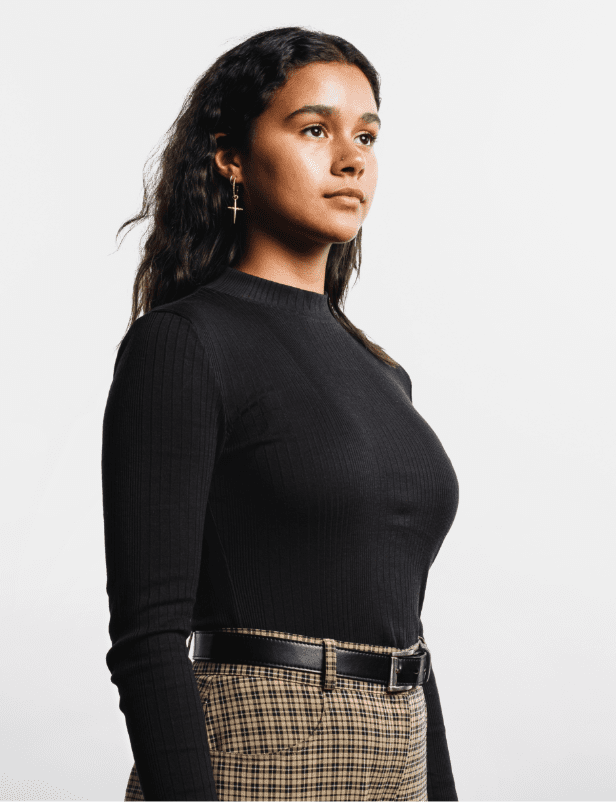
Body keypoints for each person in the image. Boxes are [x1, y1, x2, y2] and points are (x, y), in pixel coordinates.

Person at [102, 26, 460, 802]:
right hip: (261, 747)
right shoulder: (184, 344)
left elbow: (406, 629)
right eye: (315, 129)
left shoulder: (383, 375)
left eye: (367, 135)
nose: (351, 158)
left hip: (401, 747)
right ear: (231, 156)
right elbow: (147, 638)